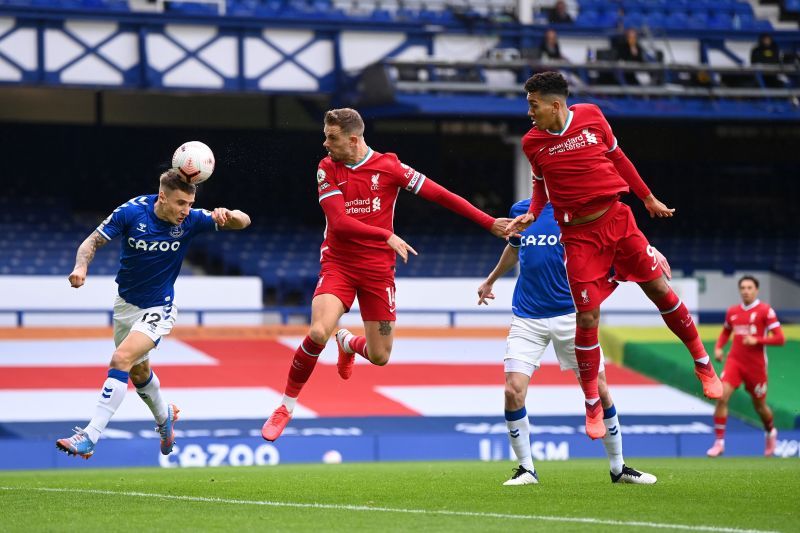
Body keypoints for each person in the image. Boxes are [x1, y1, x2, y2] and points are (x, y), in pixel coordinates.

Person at [261, 108, 511, 442]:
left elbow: (441, 194)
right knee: (319, 331)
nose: (325, 143)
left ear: (353, 139)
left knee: (380, 356)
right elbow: (338, 222)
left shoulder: (389, 167)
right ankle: (286, 406)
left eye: (331, 137)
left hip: (378, 271)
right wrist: (384, 235)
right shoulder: (327, 169)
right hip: (339, 263)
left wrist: (489, 222)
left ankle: (348, 342)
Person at [505, 71, 722, 441]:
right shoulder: (532, 142)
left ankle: (703, 364)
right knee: (587, 316)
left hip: (617, 220)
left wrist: (648, 197)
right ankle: (592, 401)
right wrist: (532, 211)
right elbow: (540, 185)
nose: (529, 111)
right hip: (577, 236)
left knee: (659, 290)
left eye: (533, 104)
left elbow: (618, 157)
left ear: (555, 104)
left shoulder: (591, 115)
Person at [56, 169, 251, 458]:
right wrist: (81, 266)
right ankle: (165, 419)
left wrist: (229, 215)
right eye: (180, 203)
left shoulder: (193, 220)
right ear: (162, 197)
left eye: (190, 204)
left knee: (120, 359)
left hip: (159, 306)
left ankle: (90, 435)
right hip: (126, 305)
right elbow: (91, 241)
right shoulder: (132, 212)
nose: (186, 210)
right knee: (138, 371)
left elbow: (244, 221)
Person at [478, 198, 657, 485]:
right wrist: (491, 280)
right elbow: (514, 247)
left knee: (600, 389)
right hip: (527, 317)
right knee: (513, 391)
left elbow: (617, 239)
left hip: (572, 315)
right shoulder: (520, 210)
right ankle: (526, 469)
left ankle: (618, 467)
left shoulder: (583, 210)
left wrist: (649, 253)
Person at [707, 275, 785, 457]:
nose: (746, 291)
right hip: (735, 361)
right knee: (721, 397)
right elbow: (726, 332)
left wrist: (757, 340)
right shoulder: (733, 312)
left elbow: (780, 338)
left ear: (756, 290)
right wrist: (719, 348)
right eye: (743, 288)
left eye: (749, 287)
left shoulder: (766, 310)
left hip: (755, 365)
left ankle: (770, 431)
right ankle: (719, 443)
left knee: (759, 406)